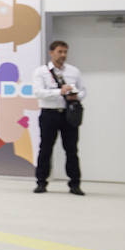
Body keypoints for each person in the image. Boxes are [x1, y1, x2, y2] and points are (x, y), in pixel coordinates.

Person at [33, 39, 88, 194]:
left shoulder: (74, 71)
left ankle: (75, 184)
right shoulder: (41, 72)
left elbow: (84, 91)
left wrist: (76, 96)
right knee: (45, 149)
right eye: (60, 52)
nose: (63, 55)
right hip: (49, 113)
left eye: (65, 52)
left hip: (68, 114)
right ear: (51, 53)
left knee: (71, 150)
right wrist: (60, 92)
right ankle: (41, 182)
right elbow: (38, 92)